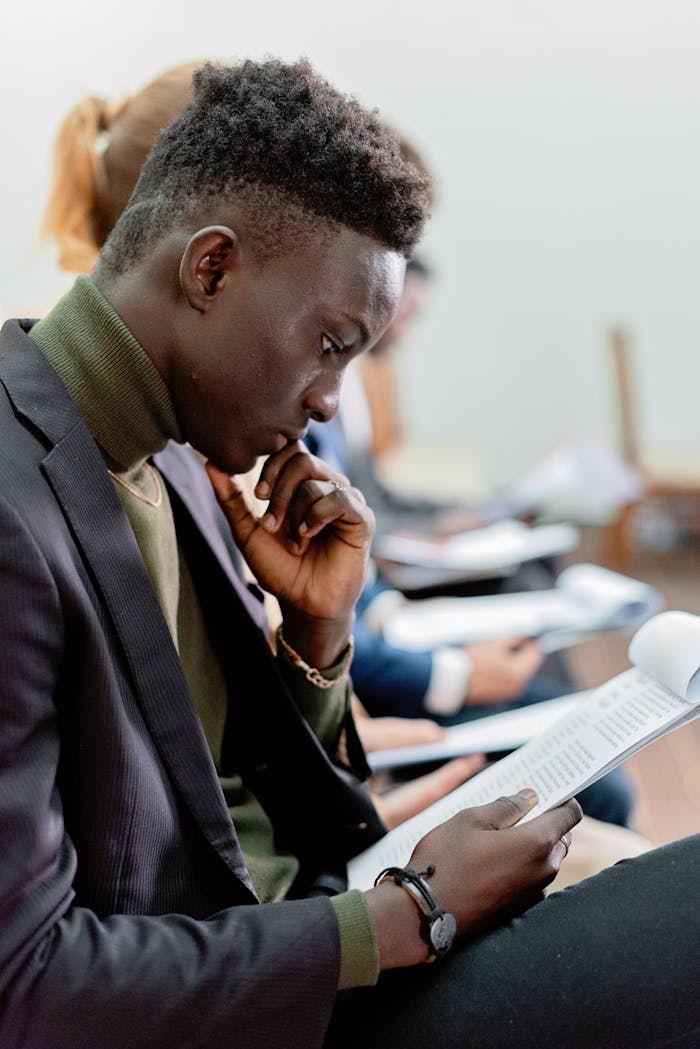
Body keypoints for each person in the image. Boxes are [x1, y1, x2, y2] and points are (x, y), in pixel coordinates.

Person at [3, 59, 692, 1049]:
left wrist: (319, 640)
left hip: (318, 929)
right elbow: (30, 985)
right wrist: (406, 914)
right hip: (252, 1000)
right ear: (210, 269)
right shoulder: (15, 502)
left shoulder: (176, 452)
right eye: (330, 343)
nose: (330, 402)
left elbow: (257, 806)